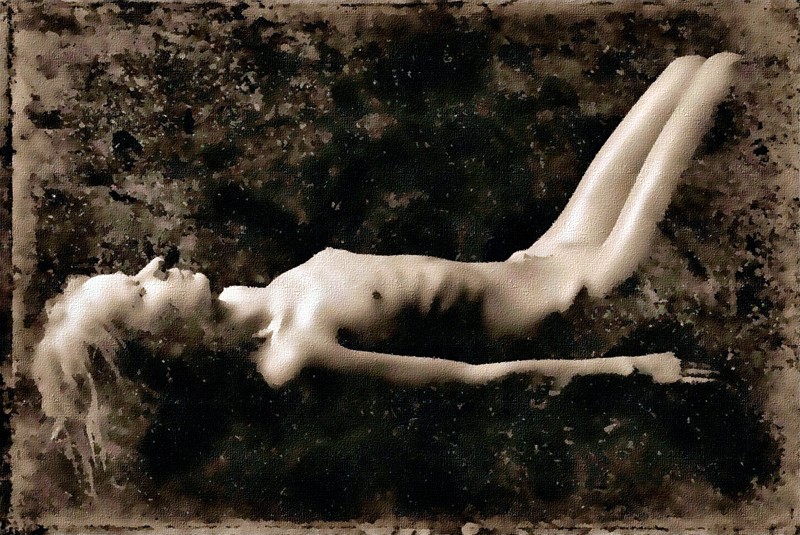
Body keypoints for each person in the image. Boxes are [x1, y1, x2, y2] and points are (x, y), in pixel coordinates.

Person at [30, 53, 739, 486]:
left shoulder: (246, 298)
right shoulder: (292, 356)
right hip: (585, 288)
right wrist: (632, 368)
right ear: (163, 345)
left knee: (686, 69)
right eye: (140, 288)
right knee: (725, 73)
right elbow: (470, 381)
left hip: (542, 254)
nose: (155, 264)